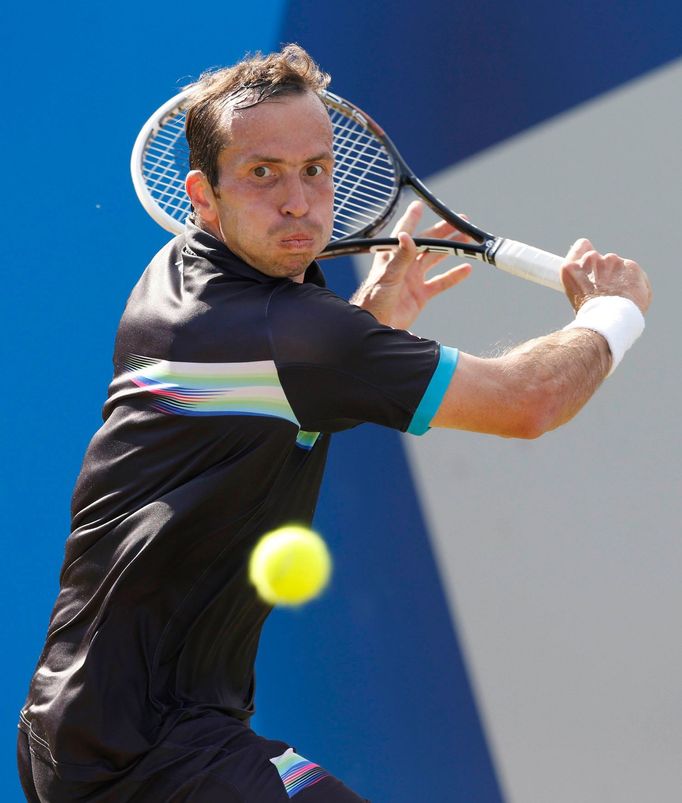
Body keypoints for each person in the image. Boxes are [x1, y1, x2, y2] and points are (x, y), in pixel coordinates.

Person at [18, 44, 651, 802]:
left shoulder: (179, 282)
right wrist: (616, 313)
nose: (298, 200)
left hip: (99, 730)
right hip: (146, 754)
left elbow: (275, 397)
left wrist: (370, 322)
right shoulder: (299, 338)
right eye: (263, 173)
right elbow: (528, 402)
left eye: (315, 169)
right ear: (202, 194)